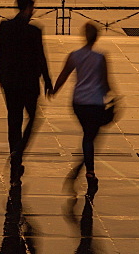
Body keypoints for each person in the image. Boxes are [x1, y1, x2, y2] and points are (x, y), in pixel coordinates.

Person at [0, 0, 53, 184]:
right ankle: (18, 152)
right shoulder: (34, 31)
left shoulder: (5, 27)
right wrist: (47, 80)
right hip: (29, 82)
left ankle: (15, 154)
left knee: (14, 120)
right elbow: (40, 57)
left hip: (10, 82)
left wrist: (0, 77)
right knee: (33, 117)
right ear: (28, 8)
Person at [53, 22, 111, 200]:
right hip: (95, 102)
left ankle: (86, 170)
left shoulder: (74, 55)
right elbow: (106, 83)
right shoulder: (101, 58)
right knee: (90, 137)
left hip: (78, 102)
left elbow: (64, 75)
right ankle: (88, 172)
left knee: (88, 136)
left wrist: (53, 89)